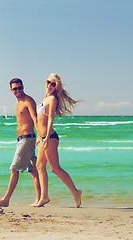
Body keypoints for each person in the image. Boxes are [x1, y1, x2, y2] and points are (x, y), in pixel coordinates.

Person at [0, 78, 41, 207]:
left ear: (23, 87)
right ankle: (40, 199)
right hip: (22, 140)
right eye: (15, 88)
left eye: (19, 87)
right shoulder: (18, 103)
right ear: (11, 90)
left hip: (27, 139)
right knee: (33, 170)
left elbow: (35, 118)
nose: (18, 90)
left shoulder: (28, 101)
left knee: (14, 169)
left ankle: (6, 199)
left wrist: (40, 136)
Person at [35, 73, 82, 208]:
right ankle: (44, 197)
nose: (49, 85)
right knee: (39, 166)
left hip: (50, 137)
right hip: (43, 137)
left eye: (53, 84)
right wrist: (39, 136)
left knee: (54, 168)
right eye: (48, 82)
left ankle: (75, 192)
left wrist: (47, 137)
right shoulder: (45, 98)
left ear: (56, 87)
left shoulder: (52, 99)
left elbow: (50, 119)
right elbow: (39, 120)